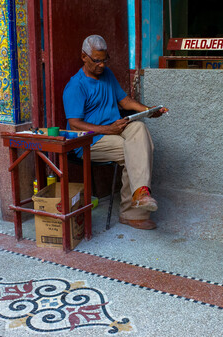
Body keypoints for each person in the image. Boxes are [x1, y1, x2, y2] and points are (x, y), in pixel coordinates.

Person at [63, 35, 168, 230]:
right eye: (97, 60)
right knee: (137, 151)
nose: (102, 65)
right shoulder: (75, 86)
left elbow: (124, 101)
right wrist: (107, 129)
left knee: (139, 128)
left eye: (104, 59)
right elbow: (75, 124)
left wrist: (147, 110)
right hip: (89, 141)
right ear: (83, 57)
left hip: (113, 132)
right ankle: (132, 212)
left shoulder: (107, 75)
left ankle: (140, 194)